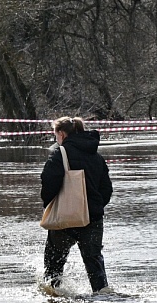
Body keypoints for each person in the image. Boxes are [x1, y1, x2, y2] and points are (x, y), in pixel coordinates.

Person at [41, 116, 113, 293]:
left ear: (62, 134)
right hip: (93, 218)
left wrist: (47, 204)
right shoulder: (97, 156)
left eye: (55, 134)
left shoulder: (60, 154)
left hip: (66, 218)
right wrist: (95, 208)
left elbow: (48, 183)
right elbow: (107, 189)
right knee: (95, 263)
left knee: (54, 262)